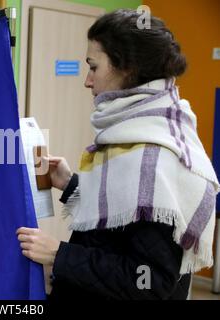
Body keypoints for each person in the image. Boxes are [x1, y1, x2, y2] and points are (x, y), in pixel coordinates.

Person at [17, 9, 219, 300]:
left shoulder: (154, 157)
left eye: (93, 67)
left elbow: (150, 281)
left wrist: (59, 255)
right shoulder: (153, 127)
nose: (87, 81)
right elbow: (124, 222)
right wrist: (71, 185)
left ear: (126, 69)